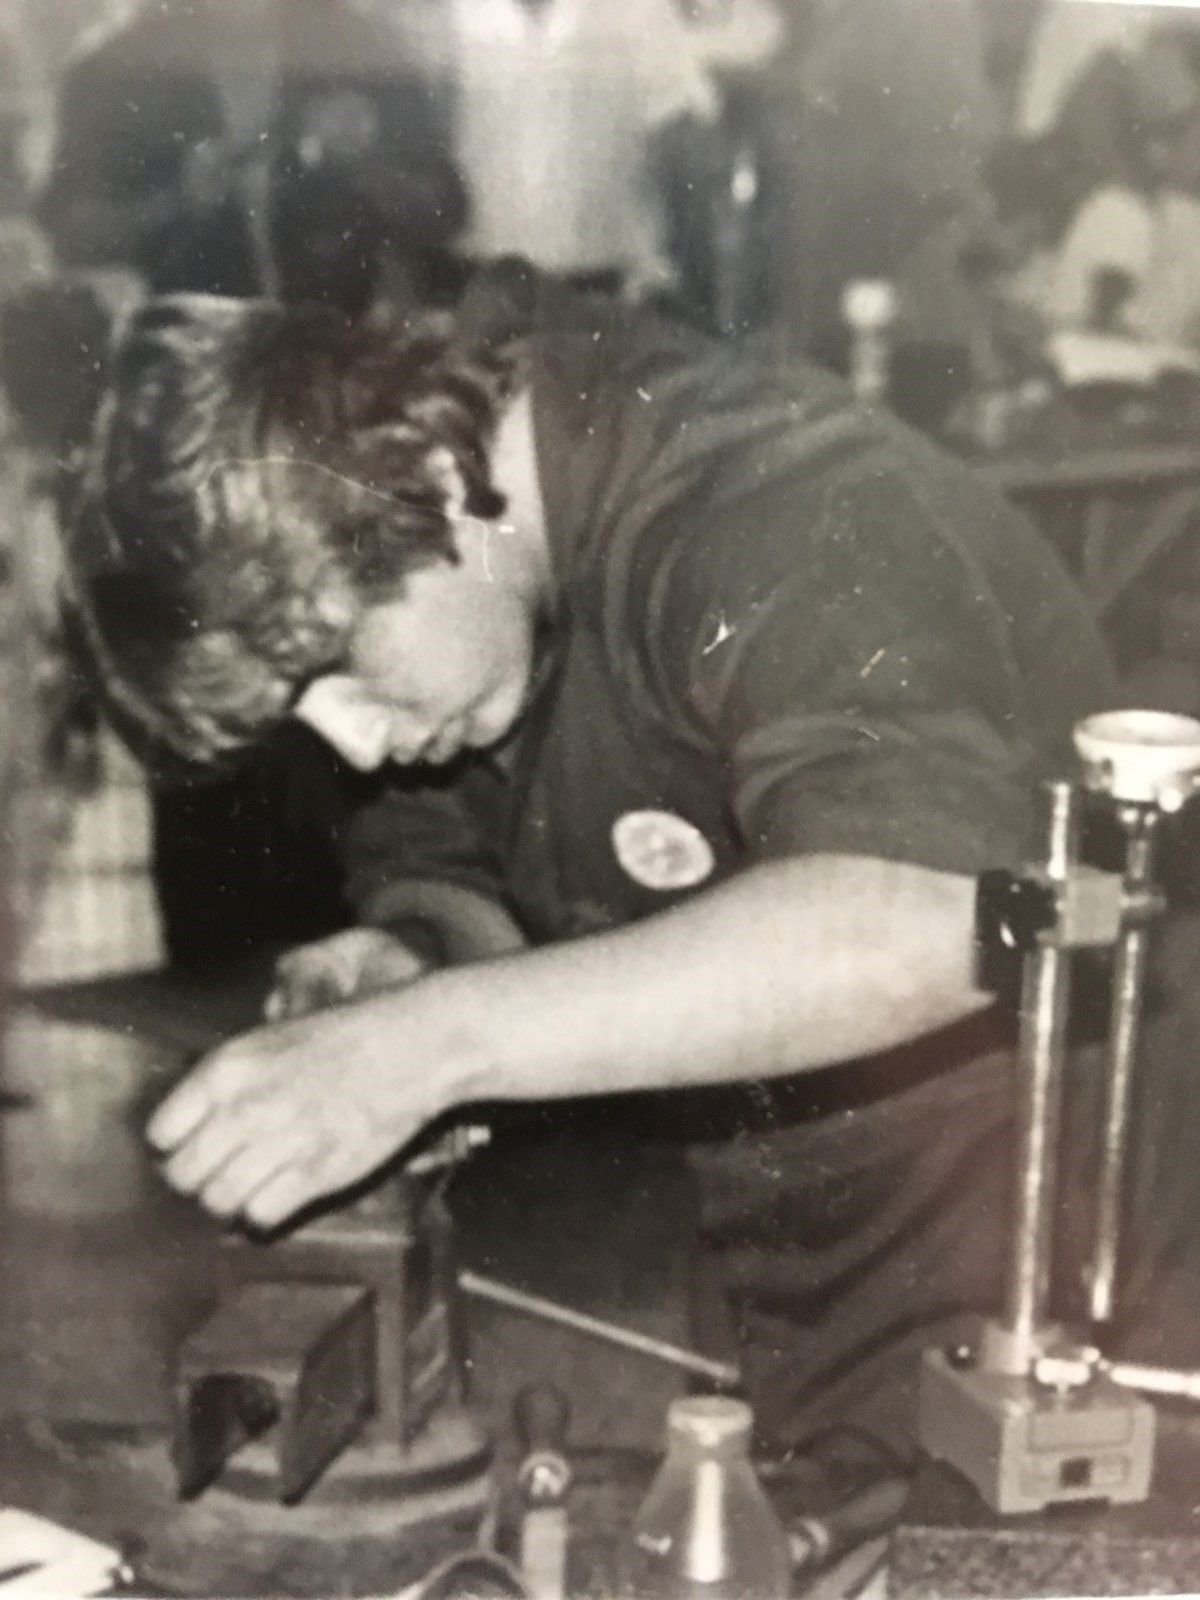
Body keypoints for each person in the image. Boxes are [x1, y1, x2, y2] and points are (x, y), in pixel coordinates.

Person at [64, 282, 1125, 1450]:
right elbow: (458, 866)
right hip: (797, 1250)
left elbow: (931, 917)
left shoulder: (778, 498)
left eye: (337, 666)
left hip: (1084, 1248)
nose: (357, 739)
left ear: (419, 475)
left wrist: (429, 1044)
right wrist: (408, 959)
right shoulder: (470, 587)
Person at [37, 0, 467, 312]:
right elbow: (69, 238)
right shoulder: (113, 68)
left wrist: (365, 159)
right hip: (188, 382)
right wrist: (175, 200)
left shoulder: (362, 47)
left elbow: (447, 212)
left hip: (342, 374)